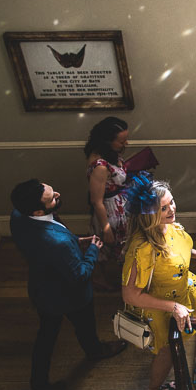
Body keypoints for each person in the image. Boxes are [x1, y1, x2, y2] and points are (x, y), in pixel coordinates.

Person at [10, 179, 127, 390]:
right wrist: (93, 249)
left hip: (42, 289)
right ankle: (94, 351)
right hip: (71, 297)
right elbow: (81, 275)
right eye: (52, 198)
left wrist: (76, 242)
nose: (58, 195)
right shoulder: (57, 244)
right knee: (84, 326)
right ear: (37, 210)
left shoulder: (18, 217)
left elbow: (52, 242)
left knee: (45, 336)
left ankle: (39, 385)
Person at [121, 178, 196, 390]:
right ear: (149, 214)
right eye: (163, 208)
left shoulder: (169, 225)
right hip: (159, 302)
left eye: (171, 202)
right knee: (168, 351)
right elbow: (130, 295)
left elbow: (174, 251)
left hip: (182, 284)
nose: (171, 209)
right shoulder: (142, 249)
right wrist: (173, 308)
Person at [85, 116, 131, 289]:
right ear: (107, 141)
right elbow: (96, 201)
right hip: (110, 212)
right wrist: (106, 229)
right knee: (107, 247)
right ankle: (100, 279)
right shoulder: (100, 166)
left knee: (123, 246)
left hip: (121, 205)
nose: (126, 143)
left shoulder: (110, 154)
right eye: (121, 141)